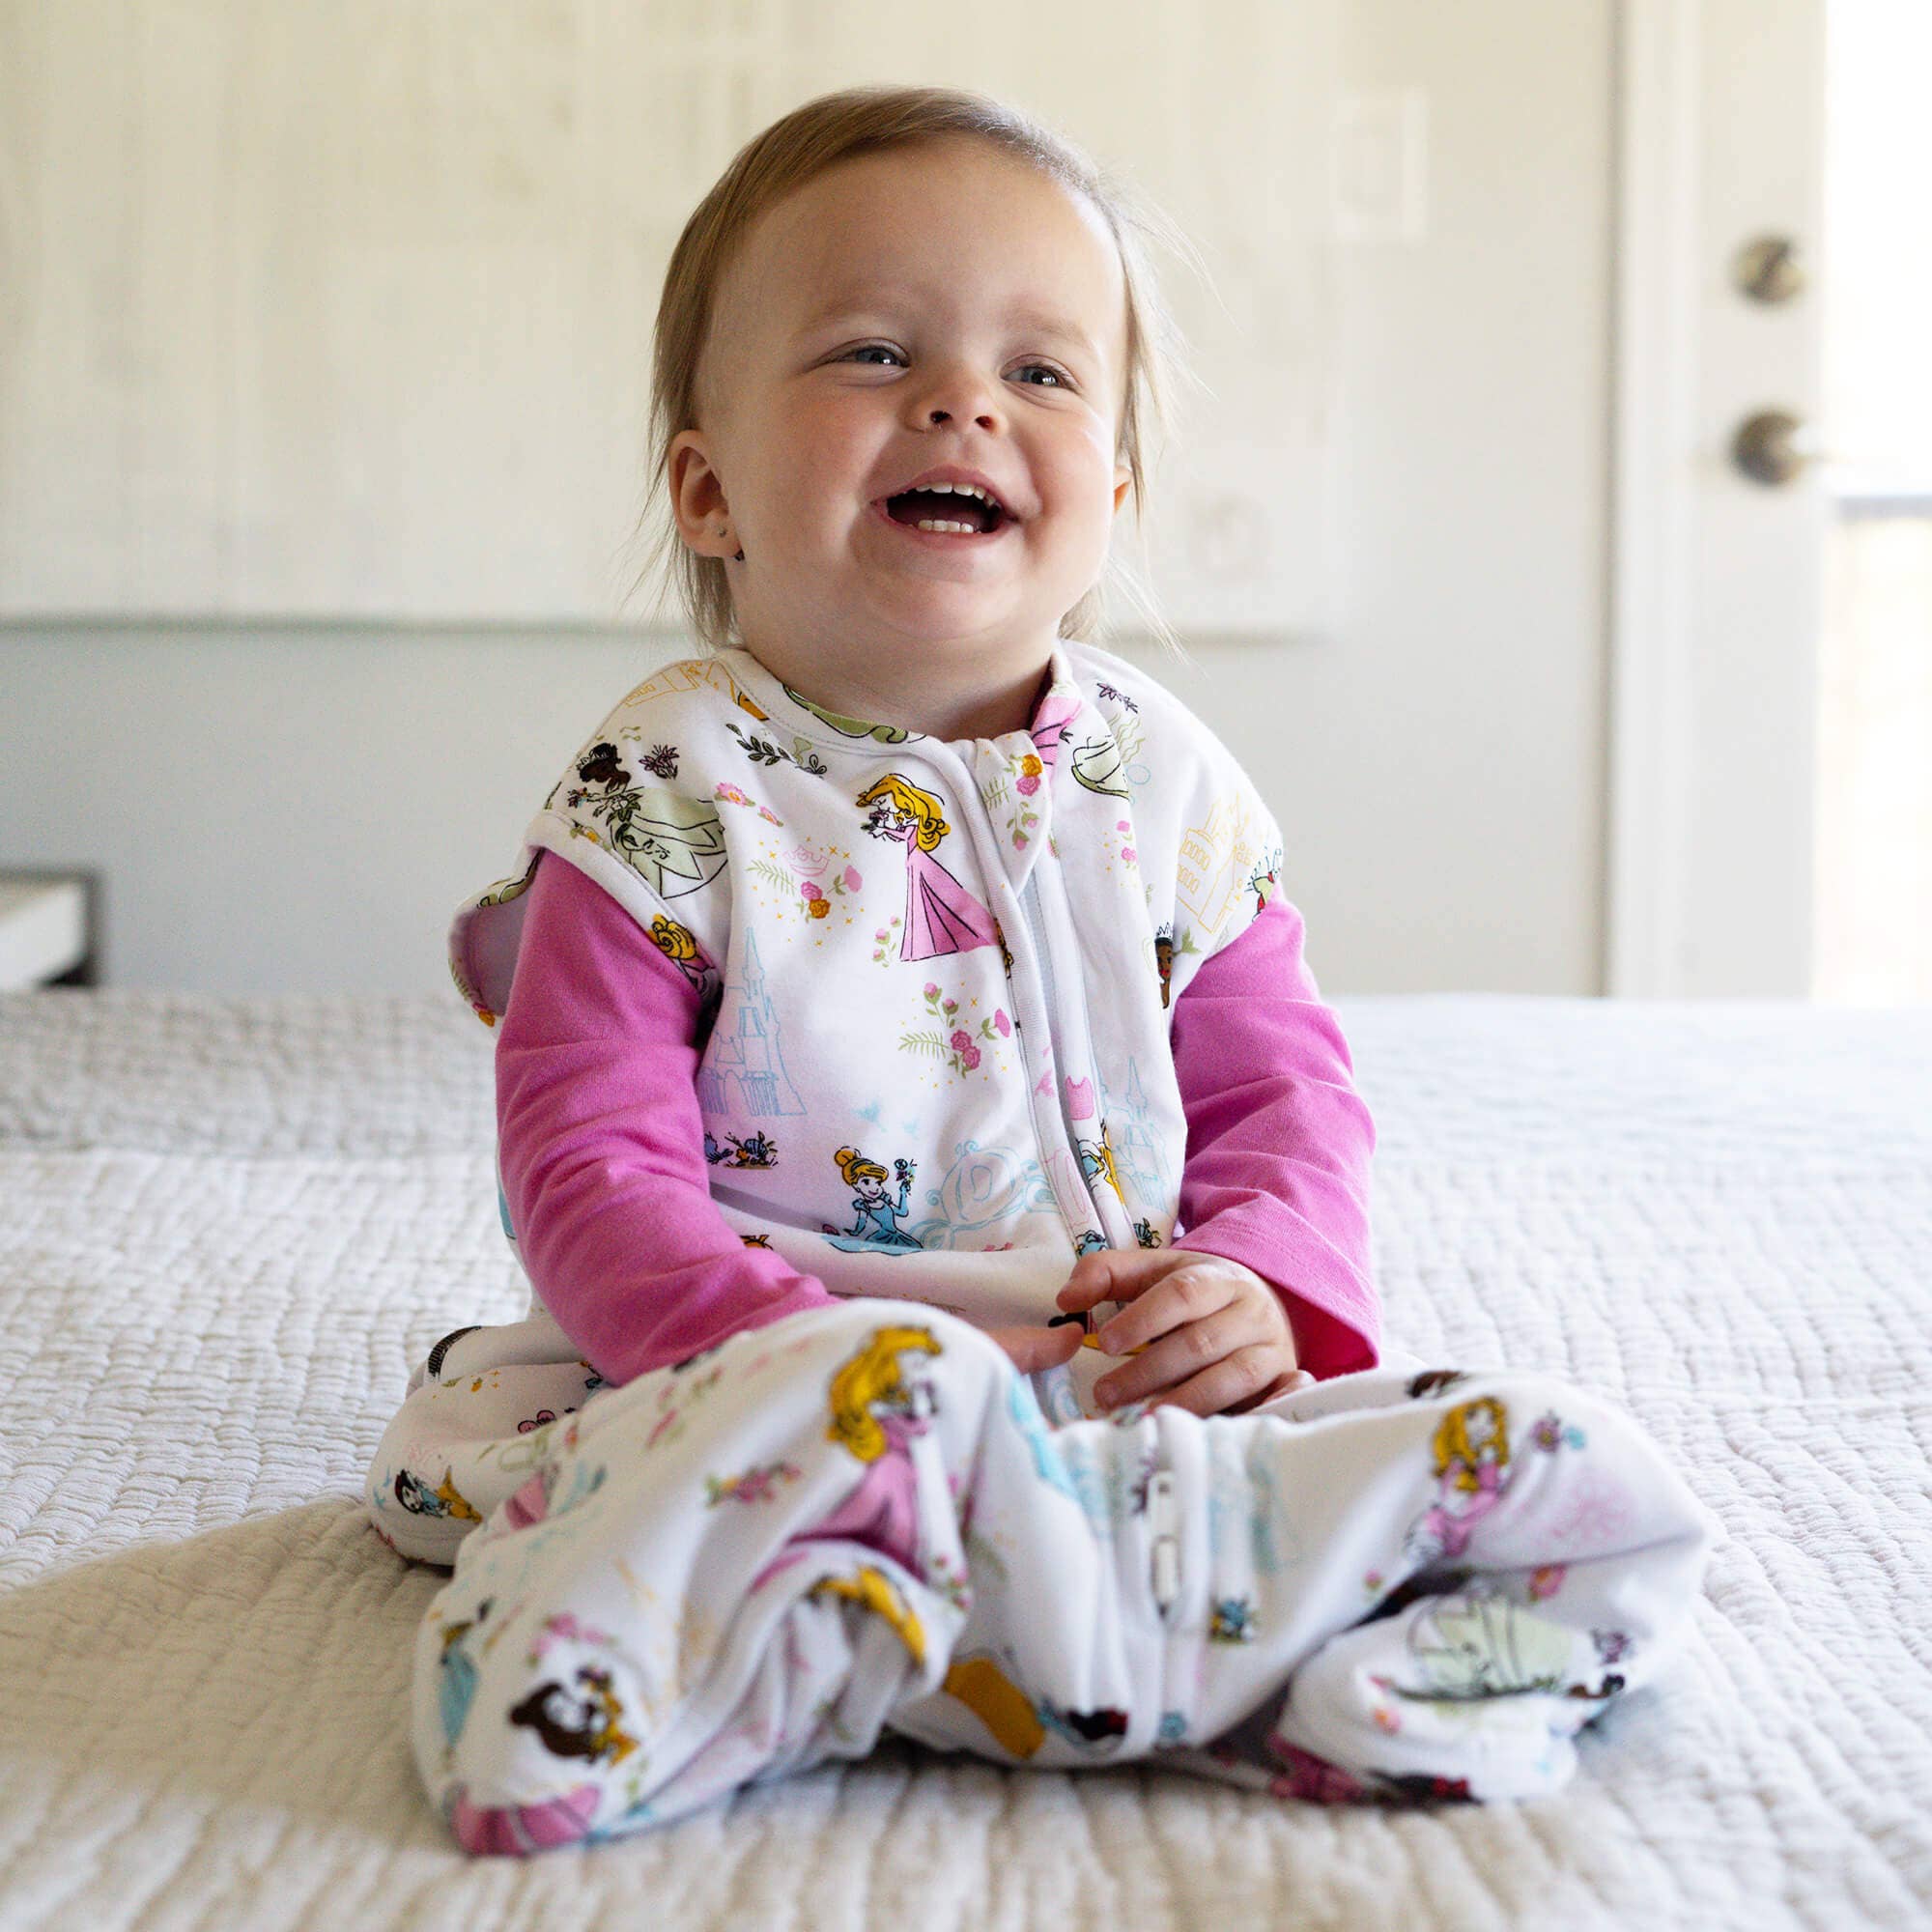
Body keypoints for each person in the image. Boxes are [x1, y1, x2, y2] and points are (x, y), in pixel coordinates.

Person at [368, 87, 1709, 1854]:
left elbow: (1286, 1102)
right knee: (682, 1466)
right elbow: (586, 1166)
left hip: (1129, 1397)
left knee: (1566, 1471)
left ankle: (1149, 1652)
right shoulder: (666, 791)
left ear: (1114, 497)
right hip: (779, 1392)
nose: (964, 401)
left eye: (1043, 371)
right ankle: (771, 1657)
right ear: (709, 489)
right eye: (873, 351)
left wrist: (1258, 1293)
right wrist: (785, 1356)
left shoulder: (1170, 790)